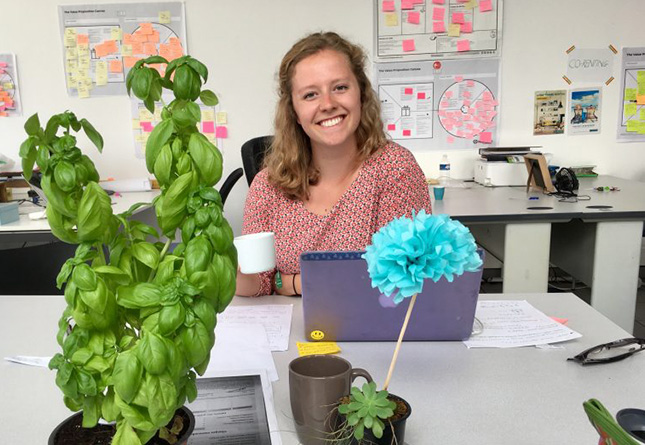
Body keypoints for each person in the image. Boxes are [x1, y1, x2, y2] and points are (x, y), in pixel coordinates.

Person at [236, 32, 431, 297]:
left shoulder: (395, 169)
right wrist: (224, 269)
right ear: (293, 110)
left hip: (371, 329)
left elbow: (406, 278)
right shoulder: (268, 186)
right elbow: (259, 282)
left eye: (340, 87)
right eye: (310, 95)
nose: (327, 104)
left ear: (361, 93)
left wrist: (293, 283)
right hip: (291, 330)